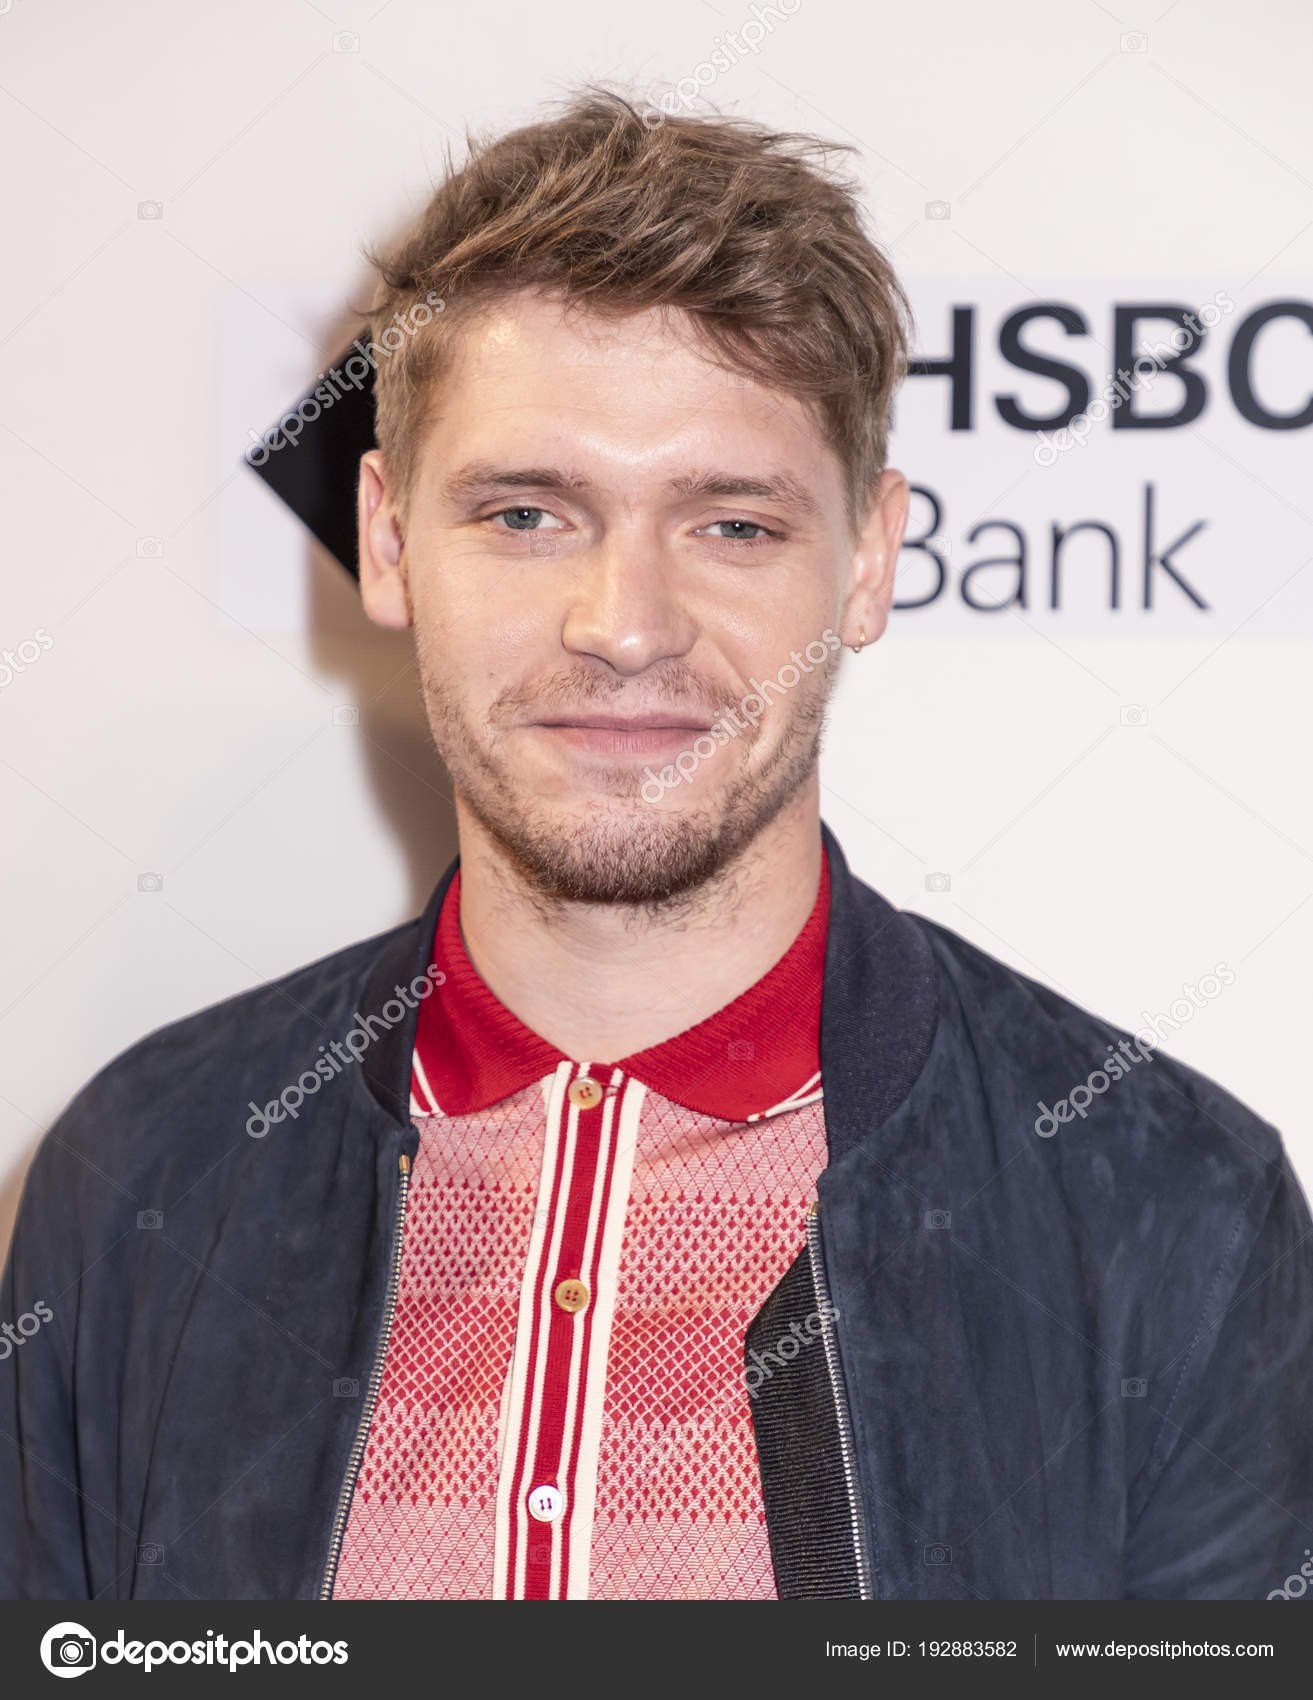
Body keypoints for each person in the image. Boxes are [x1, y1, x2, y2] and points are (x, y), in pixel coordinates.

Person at [3, 89, 1309, 1603]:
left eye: (732, 524)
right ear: (383, 538)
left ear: (870, 559)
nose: (623, 627)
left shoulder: (1168, 1211)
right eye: (525, 513)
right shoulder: (146, 1172)